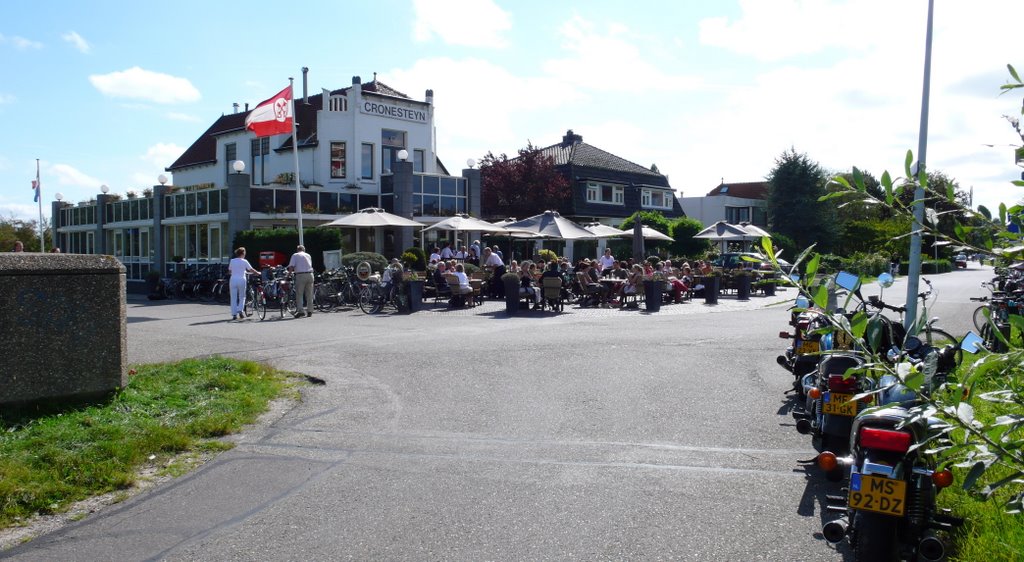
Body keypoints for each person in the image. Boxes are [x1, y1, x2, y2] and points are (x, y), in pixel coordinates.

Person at [228, 247, 257, 321]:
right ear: (243, 253)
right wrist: (258, 273)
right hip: (241, 280)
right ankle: (240, 311)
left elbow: (230, 271)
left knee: (233, 297)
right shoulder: (244, 261)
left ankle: (234, 314)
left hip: (233, 280)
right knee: (242, 296)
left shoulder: (232, 261)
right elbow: (251, 269)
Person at [287, 244, 315, 318]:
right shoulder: (308, 255)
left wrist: (288, 275)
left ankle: (301, 311)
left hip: (301, 275)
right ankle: (310, 311)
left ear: (297, 250)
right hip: (310, 274)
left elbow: (291, 266)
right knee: (309, 294)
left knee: (299, 294)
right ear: (304, 249)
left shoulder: (295, 255)